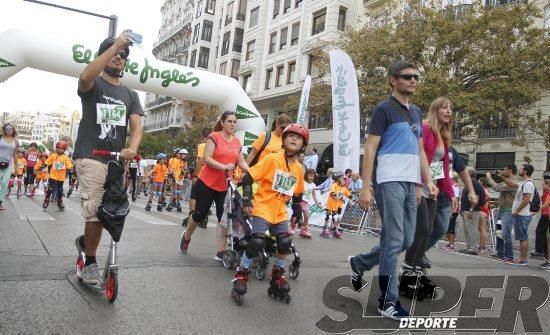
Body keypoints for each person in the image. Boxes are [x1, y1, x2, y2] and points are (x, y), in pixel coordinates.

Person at [347, 61, 437, 320]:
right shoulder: (383, 109)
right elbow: (371, 149)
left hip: (411, 183)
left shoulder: (418, 112)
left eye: (415, 76)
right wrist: (365, 186)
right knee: (395, 240)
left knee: (407, 240)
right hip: (389, 181)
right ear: (393, 80)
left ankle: (360, 263)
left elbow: (419, 151)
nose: (413, 80)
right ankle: (387, 301)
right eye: (407, 76)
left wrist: (424, 181)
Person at [73, 33, 143, 284]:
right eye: (114, 53)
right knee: (95, 210)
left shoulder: (130, 95)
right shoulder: (94, 85)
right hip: (90, 155)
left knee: (108, 211)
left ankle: (84, 244)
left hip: (115, 161)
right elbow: (84, 77)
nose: (119, 58)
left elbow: (136, 127)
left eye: (123, 56)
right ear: (104, 55)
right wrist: (115, 44)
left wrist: (132, 148)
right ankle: (89, 262)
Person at [231, 124, 308, 305]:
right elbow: (248, 177)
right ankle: (241, 275)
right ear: (284, 139)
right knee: (257, 241)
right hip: (263, 208)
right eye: (290, 136)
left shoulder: (298, 169)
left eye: (298, 138)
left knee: (285, 243)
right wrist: (247, 200)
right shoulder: (273, 159)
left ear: (303, 145)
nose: (293, 139)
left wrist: (297, 211)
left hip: (280, 211)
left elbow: (297, 194)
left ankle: (276, 277)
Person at [403, 97, 468, 276]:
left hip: (432, 187)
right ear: (435, 110)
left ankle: (415, 265)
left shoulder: (443, 137)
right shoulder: (424, 128)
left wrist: (450, 193)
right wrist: (418, 183)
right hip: (418, 184)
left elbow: (442, 170)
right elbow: (416, 156)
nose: (448, 111)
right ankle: (408, 267)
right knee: (423, 228)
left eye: (450, 108)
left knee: (430, 229)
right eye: (444, 108)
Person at [179, 111, 249, 261]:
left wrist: (252, 171)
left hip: (224, 185)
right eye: (229, 121)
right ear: (222, 123)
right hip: (206, 182)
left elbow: (241, 162)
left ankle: (221, 251)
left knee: (223, 218)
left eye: (234, 122)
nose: (232, 124)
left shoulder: (237, 142)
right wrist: (224, 166)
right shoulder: (214, 137)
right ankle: (186, 236)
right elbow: (207, 159)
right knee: (199, 214)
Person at [486, 164, 518, 262]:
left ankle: (509, 256)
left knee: (505, 233)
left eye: (504, 169)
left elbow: (497, 188)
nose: (502, 171)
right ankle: (500, 253)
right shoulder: (506, 180)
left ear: (510, 170)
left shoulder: (513, 182)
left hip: (508, 211)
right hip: (501, 210)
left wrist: (489, 178)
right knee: (498, 232)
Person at [183, 127, 211, 228]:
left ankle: (192, 215)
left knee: (194, 195)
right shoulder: (214, 145)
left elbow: (200, 161)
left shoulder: (203, 145)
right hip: (210, 175)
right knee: (205, 197)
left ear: (202, 137)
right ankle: (205, 217)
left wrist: (195, 175)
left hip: (201, 174)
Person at [508, 164, 536, 265]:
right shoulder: (524, 183)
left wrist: (517, 210)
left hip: (523, 214)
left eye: (521, 169)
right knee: (521, 237)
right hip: (522, 214)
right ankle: (522, 258)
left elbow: (527, 199)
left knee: (523, 237)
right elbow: (512, 184)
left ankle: (522, 259)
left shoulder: (528, 184)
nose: (519, 171)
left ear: (525, 171)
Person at [459, 167, 486, 255]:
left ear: (469, 174)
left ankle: (473, 248)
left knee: (472, 230)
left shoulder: (474, 183)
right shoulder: (470, 183)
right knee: (467, 230)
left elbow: (476, 198)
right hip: (466, 209)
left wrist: (471, 209)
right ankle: (469, 247)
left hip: (471, 210)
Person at [321, 171, 352, 239]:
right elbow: (332, 192)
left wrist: (355, 201)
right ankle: (325, 229)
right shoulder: (334, 185)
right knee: (328, 216)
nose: (343, 179)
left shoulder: (343, 188)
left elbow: (349, 195)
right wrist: (336, 196)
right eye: (341, 178)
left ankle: (335, 229)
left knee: (336, 217)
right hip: (331, 203)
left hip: (338, 205)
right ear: (337, 178)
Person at [43, 141, 73, 210]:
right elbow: (47, 162)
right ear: (57, 148)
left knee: (60, 190)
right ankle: (46, 200)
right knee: (50, 188)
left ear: (64, 150)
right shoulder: (53, 156)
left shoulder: (65, 158)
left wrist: (71, 170)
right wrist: (42, 166)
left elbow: (69, 166)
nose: (60, 150)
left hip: (61, 176)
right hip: (53, 175)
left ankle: (60, 202)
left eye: (62, 149)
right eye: (59, 148)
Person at [0, 123, 20, 210]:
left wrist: (16, 167)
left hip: (8, 164)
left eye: (11, 129)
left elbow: (15, 155)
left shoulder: (15, 141)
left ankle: (0, 202)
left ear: (13, 130)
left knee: (4, 183)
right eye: (7, 129)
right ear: (4, 129)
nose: (9, 131)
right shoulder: (0, 138)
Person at [298, 169, 322, 239]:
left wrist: (317, 204)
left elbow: (314, 195)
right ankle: (292, 228)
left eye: (313, 176)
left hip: (306, 203)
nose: (311, 177)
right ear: (306, 175)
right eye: (310, 175)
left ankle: (304, 230)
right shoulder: (302, 182)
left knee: (306, 216)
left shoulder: (313, 185)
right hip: (299, 201)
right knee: (296, 216)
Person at [443, 173, 461, 251]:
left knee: (451, 226)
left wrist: (454, 209)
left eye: (449, 178)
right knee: (449, 226)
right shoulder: (452, 186)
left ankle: (452, 244)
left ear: (453, 179)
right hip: (451, 208)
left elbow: (456, 199)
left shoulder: (455, 187)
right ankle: (449, 242)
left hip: (453, 209)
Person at [539, 176, 550, 270]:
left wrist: (534, 211)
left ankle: (548, 260)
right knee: (544, 236)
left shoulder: (549, 192)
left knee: (546, 237)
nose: (542, 185)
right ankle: (547, 259)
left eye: (544, 183)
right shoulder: (546, 192)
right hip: (545, 215)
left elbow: (546, 204)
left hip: (547, 216)